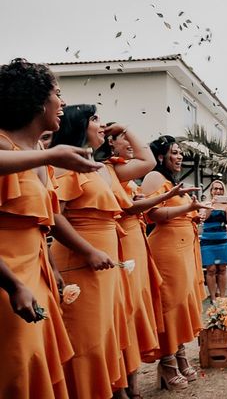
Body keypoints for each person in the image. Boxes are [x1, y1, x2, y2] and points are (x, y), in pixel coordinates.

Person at [0, 58, 74, 398]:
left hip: (37, 275)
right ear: (38, 100)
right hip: (7, 282)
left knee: (38, 369)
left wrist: (53, 268)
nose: (63, 103)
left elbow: (41, 225)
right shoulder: (3, 145)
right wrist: (13, 285)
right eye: (58, 94)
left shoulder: (40, 151)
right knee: (17, 373)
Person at [49, 104, 131, 399]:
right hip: (81, 263)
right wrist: (89, 252)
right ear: (79, 125)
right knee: (87, 341)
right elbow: (54, 217)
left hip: (104, 266)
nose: (102, 126)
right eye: (95, 119)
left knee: (105, 334)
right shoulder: (66, 166)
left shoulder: (94, 168)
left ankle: (112, 391)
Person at [100, 123, 171, 398]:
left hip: (137, 241)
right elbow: (149, 159)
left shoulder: (125, 177)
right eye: (121, 139)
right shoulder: (111, 170)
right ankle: (124, 389)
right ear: (109, 144)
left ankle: (132, 384)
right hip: (123, 243)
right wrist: (127, 128)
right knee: (127, 311)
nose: (129, 143)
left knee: (137, 308)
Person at [141, 135, 209, 391]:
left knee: (182, 303)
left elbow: (179, 212)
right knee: (169, 304)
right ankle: (167, 361)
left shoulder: (172, 181)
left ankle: (180, 353)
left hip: (185, 247)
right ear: (161, 156)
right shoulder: (154, 178)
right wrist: (187, 208)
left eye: (181, 153)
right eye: (174, 152)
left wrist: (196, 214)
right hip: (167, 249)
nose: (179, 156)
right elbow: (153, 214)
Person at [200, 180, 227, 298]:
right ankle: (213, 297)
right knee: (211, 268)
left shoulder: (225, 205)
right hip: (208, 239)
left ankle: (223, 297)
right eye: (215, 189)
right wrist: (211, 205)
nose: (218, 191)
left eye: (220, 189)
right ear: (211, 190)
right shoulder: (205, 203)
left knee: (222, 268)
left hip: (222, 237)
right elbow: (204, 218)